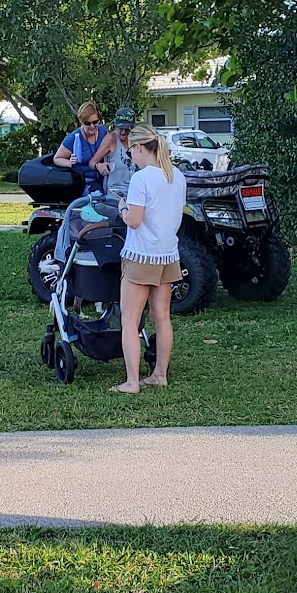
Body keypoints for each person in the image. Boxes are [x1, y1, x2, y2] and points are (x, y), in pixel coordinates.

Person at [113, 124, 187, 395]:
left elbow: (134, 220)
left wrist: (122, 207)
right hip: (168, 254)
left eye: (130, 149)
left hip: (141, 256)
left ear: (140, 147)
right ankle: (159, 375)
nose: (129, 155)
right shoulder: (176, 176)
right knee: (162, 318)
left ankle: (132, 382)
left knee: (130, 320)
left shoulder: (141, 179)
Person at [51, 101, 114, 196]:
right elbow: (57, 159)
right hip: (85, 180)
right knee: (98, 198)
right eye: (88, 123)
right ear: (81, 122)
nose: (92, 126)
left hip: (105, 178)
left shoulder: (103, 131)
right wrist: (69, 163)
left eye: (95, 122)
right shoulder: (73, 138)